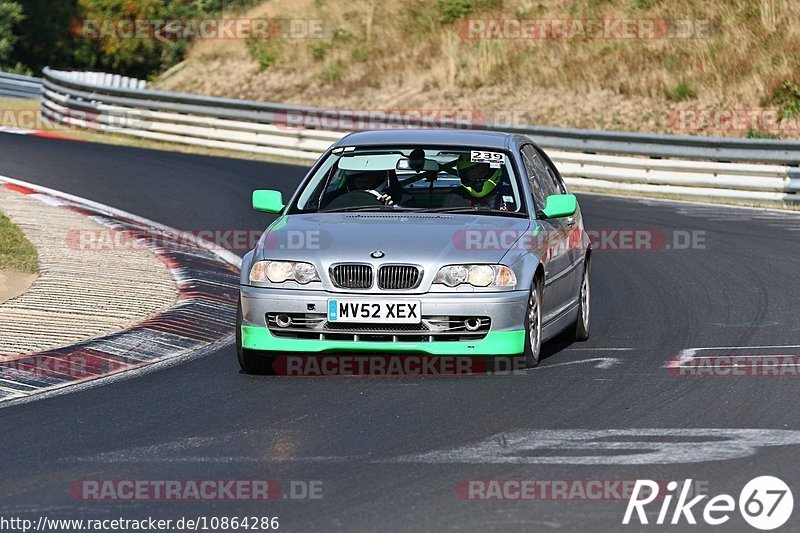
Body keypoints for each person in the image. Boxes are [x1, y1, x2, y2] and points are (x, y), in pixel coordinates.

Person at [321, 169, 395, 209]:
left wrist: (389, 210)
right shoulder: (329, 200)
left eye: (369, 182)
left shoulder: (401, 202)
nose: (364, 186)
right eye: (359, 182)